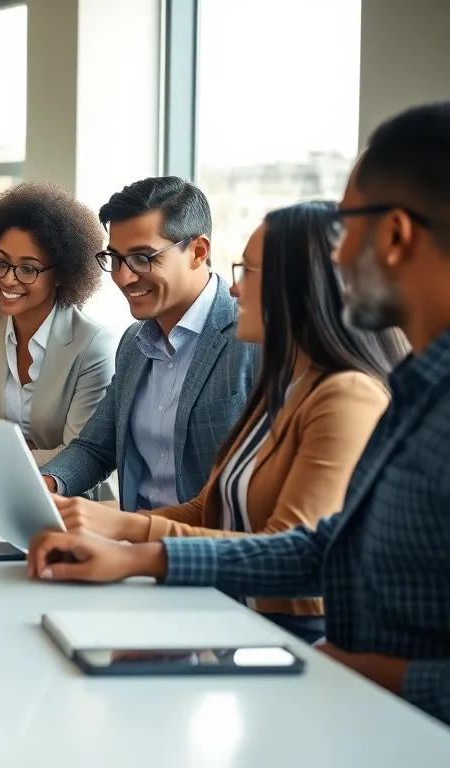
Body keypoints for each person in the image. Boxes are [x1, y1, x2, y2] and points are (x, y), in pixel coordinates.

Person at [27, 101, 450, 726]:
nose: (338, 253)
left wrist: (374, 673)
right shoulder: (416, 389)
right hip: (338, 696)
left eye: (350, 222)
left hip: (366, 701)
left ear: (394, 235)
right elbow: (324, 546)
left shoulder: (353, 392)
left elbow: (300, 549)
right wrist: (133, 545)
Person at [49, 200, 407, 643]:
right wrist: (111, 526)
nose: (234, 291)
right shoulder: (282, 385)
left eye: (248, 274)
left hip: (293, 631)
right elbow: (210, 506)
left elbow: (290, 553)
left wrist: (137, 554)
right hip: (232, 609)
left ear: (301, 287)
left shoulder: (346, 396)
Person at [38, 176, 258, 510]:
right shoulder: (133, 344)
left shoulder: (252, 339)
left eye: (143, 258)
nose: (123, 277)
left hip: (202, 549)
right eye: (115, 258)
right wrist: (47, 483)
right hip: (130, 543)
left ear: (198, 251)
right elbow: (96, 448)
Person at [0, 182, 115, 491]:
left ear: (62, 274)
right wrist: (15, 455)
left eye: (28, 268)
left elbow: (79, 453)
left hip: (61, 502)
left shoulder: (91, 344)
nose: (8, 278)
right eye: (0, 262)